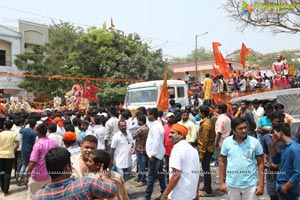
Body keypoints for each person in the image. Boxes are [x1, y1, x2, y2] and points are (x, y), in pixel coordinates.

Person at [33, 147, 118, 199]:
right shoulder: (86, 184)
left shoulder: (39, 196)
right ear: (67, 168)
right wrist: (104, 176)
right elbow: (113, 190)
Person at [219, 117, 264, 200]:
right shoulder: (227, 142)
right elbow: (222, 162)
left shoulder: (255, 142)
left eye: (245, 128)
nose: (244, 130)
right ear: (233, 130)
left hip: (250, 185)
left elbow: (261, 163)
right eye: (240, 128)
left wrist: (261, 185)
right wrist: (221, 183)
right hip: (232, 184)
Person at [160, 123, 200, 200]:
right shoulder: (193, 150)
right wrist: (196, 192)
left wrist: (165, 195)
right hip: (191, 194)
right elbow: (197, 173)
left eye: (173, 133)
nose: (169, 135)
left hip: (179, 195)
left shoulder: (177, 150)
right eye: (170, 132)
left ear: (181, 135)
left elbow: (176, 175)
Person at [24, 123, 58, 200]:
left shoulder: (38, 144)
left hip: (38, 175)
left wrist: (26, 175)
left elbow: (32, 162)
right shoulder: (54, 142)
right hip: (50, 174)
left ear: (38, 132)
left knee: (32, 196)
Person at [271, 122, 300, 200]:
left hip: (289, 190)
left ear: (280, 133)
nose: (273, 135)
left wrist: (286, 186)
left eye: (274, 132)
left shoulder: (294, 149)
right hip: (283, 188)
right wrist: (273, 144)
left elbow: (298, 173)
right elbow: (275, 160)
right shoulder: (286, 147)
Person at [143, 108, 166, 200]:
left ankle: (147, 196)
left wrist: (153, 154)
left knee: (151, 176)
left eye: (148, 114)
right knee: (160, 175)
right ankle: (165, 191)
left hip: (155, 155)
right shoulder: (156, 124)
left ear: (152, 115)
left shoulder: (156, 126)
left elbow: (156, 141)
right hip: (157, 154)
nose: (147, 116)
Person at [197, 105, 216, 197]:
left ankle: (208, 190)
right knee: (205, 169)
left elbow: (205, 139)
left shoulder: (205, 124)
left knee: (206, 170)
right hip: (209, 148)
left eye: (199, 112)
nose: (198, 113)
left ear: (203, 113)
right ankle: (206, 185)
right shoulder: (209, 121)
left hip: (206, 149)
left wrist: (202, 152)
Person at [0, 120, 19, 196]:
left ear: (4, 126)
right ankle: (6, 190)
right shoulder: (14, 134)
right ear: (11, 126)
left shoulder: (1, 134)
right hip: (10, 155)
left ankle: (2, 188)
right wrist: (13, 151)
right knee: (8, 172)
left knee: (1, 172)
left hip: (0, 155)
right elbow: (17, 144)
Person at [132, 114, 149, 186]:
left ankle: (143, 180)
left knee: (141, 165)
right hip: (145, 148)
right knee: (141, 164)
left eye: (138, 120)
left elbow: (133, 136)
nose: (137, 122)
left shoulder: (141, 129)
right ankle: (139, 177)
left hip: (140, 148)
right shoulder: (147, 127)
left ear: (141, 121)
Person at [163, 112, 175, 183]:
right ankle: (168, 181)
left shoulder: (177, 126)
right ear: (166, 118)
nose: (171, 118)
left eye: (172, 117)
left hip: (175, 151)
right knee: (167, 166)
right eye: (169, 117)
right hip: (166, 151)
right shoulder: (164, 127)